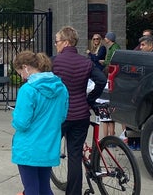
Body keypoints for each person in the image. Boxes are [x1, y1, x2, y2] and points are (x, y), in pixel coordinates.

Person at [52, 26, 106, 195]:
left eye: (57, 41)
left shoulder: (55, 62)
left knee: (47, 150)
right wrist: (89, 99)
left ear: (66, 42)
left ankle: (39, 188)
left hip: (60, 115)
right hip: (81, 114)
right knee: (75, 156)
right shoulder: (86, 62)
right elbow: (102, 80)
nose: (56, 45)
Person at [12, 50, 69, 195]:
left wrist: (15, 116)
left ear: (25, 67)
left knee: (31, 189)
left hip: (28, 147)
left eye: (20, 72)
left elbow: (21, 123)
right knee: (45, 188)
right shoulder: (61, 88)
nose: (22, 77)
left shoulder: (28, 90)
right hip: (49, 145)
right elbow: (62, 116)